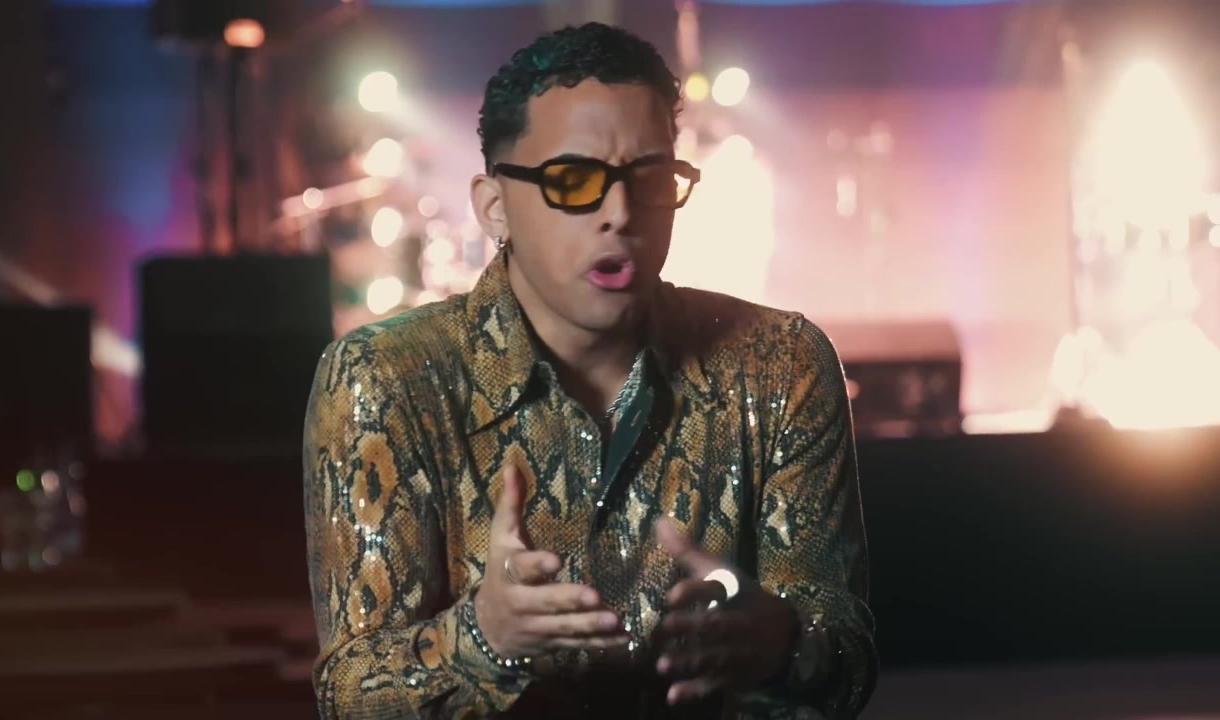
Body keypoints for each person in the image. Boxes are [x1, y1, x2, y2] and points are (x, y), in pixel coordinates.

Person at [303, 22, 876, 720]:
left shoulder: (779, 364)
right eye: (573, 181)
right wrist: (484, 639)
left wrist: (781, 642)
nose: (620, 213)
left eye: (650, 179)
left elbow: (849, 662)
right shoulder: (386, 378)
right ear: (493, 207)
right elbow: (349, 696)